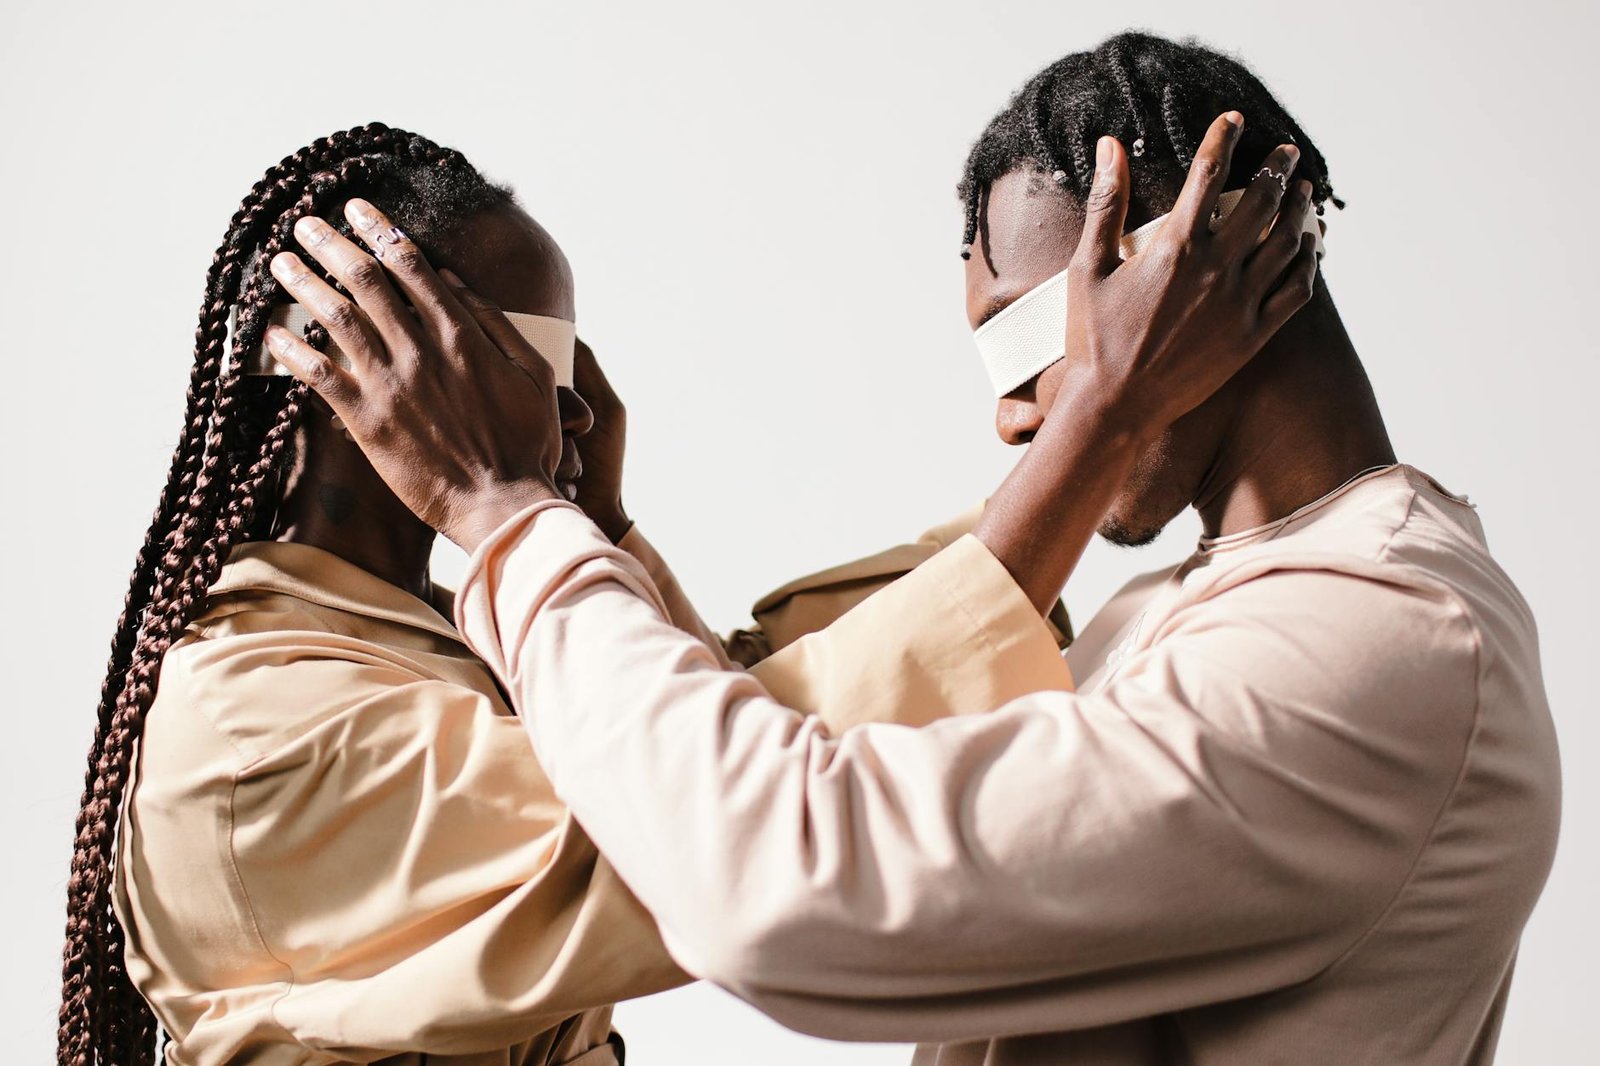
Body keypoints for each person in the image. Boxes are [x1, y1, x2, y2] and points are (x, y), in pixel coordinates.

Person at [273, 34, 1560, 1066]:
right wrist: (606, 541)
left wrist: (505, 515)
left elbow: (781, 880)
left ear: (1188, 259)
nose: (1007, 415)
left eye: (1018, 346)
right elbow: (785, 750)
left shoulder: (1375, 643)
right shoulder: (1190, 610)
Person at [61, 112, 1289, 1064]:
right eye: (539, 361)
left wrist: (594, 530)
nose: (576, 404)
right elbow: (714, 817)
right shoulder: (249, 737)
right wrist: (1096, 415)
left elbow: (722, 706)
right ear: (387, 364)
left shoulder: (421, 643)